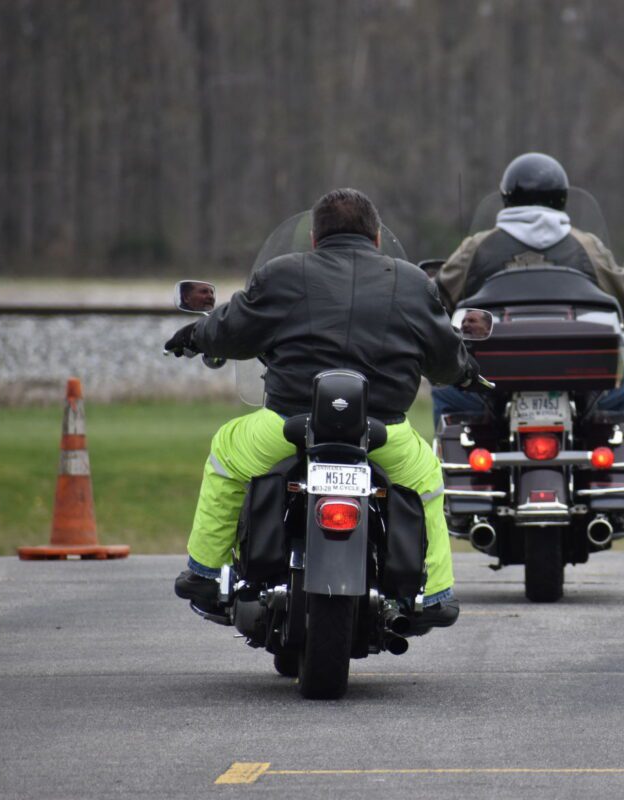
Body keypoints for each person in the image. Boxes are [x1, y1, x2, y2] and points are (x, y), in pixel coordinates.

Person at [166, 188, 479, 633]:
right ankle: (436, 594)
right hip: (382, 433)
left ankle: (203, 571)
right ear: (375, 239)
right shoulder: (412, 283)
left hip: (287, 426)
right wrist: (469, 372)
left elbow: (232, 328)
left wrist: (196, 335)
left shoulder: (282, 274)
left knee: (226, 451)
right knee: (428, 478)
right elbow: (447, 358)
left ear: (315, 239)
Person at [433, 152, 624, 428]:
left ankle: (453, 464)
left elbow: (437, 300)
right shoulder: (587, 247)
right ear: (561, 196)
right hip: (580, 380)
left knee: (444, 388)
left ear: (507, 196)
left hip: (491, 385)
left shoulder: (477, 247)